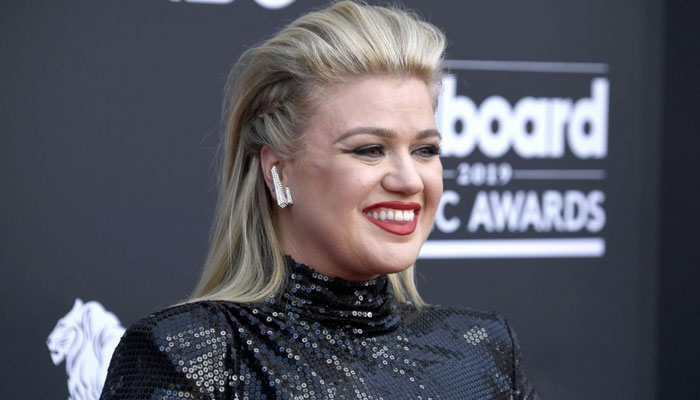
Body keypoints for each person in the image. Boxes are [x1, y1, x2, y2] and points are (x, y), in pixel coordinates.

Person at [99, 1, 540, 399]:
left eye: (425, 150)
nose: (409, 180)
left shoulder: (483, 349)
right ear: (279, 170)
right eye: (370, 149)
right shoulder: (196, 356)